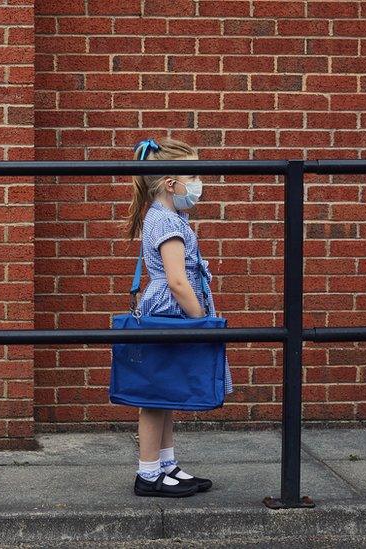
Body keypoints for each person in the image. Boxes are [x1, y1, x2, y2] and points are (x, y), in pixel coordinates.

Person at [125, 137, 233, 498]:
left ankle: (166, 466)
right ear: (172, 184)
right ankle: (148, 473)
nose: (199, 182)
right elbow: (176, 281)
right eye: (193, 174)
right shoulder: (168, 224)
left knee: (167, 392)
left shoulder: (167, 216)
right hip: (172, 315)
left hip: (169, 314)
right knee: (155, 397)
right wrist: (202, 320)